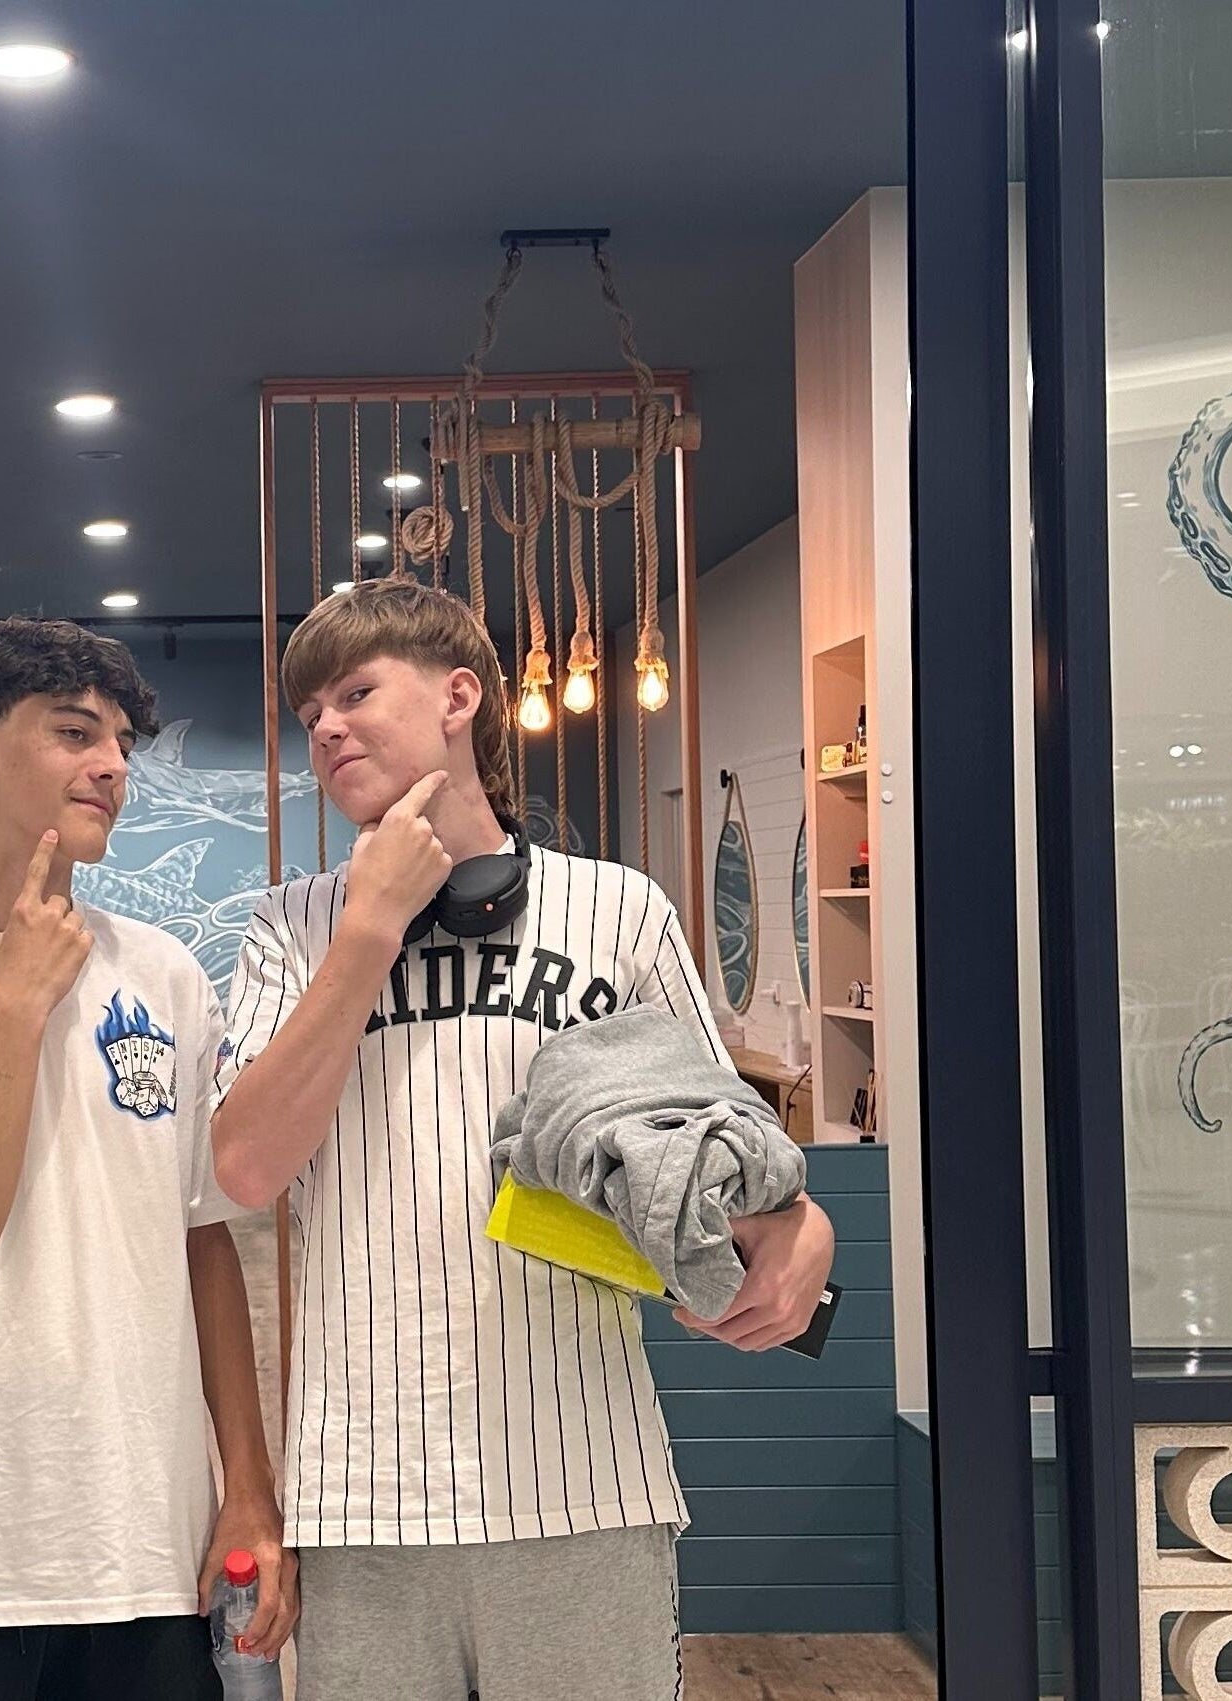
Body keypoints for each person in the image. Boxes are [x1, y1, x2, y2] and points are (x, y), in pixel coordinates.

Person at [211, 578, 837, 1701]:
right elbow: (247, 1167)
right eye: (308, 716)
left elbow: (716, 1141)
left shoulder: (619, 910)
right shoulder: (293, 928)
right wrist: (365, 934)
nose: (326, 728)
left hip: (580, 1476)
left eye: (355, 692)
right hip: (361, 1491)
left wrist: (798, 1220)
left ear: (460, 696)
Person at [0, 617, 293, 1701]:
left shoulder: (164, 974)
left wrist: (248, 1484)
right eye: (76, 732)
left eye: (120, 740)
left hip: (144, 1551)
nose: (113, 766)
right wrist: (17, 1005)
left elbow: (201, 1234)